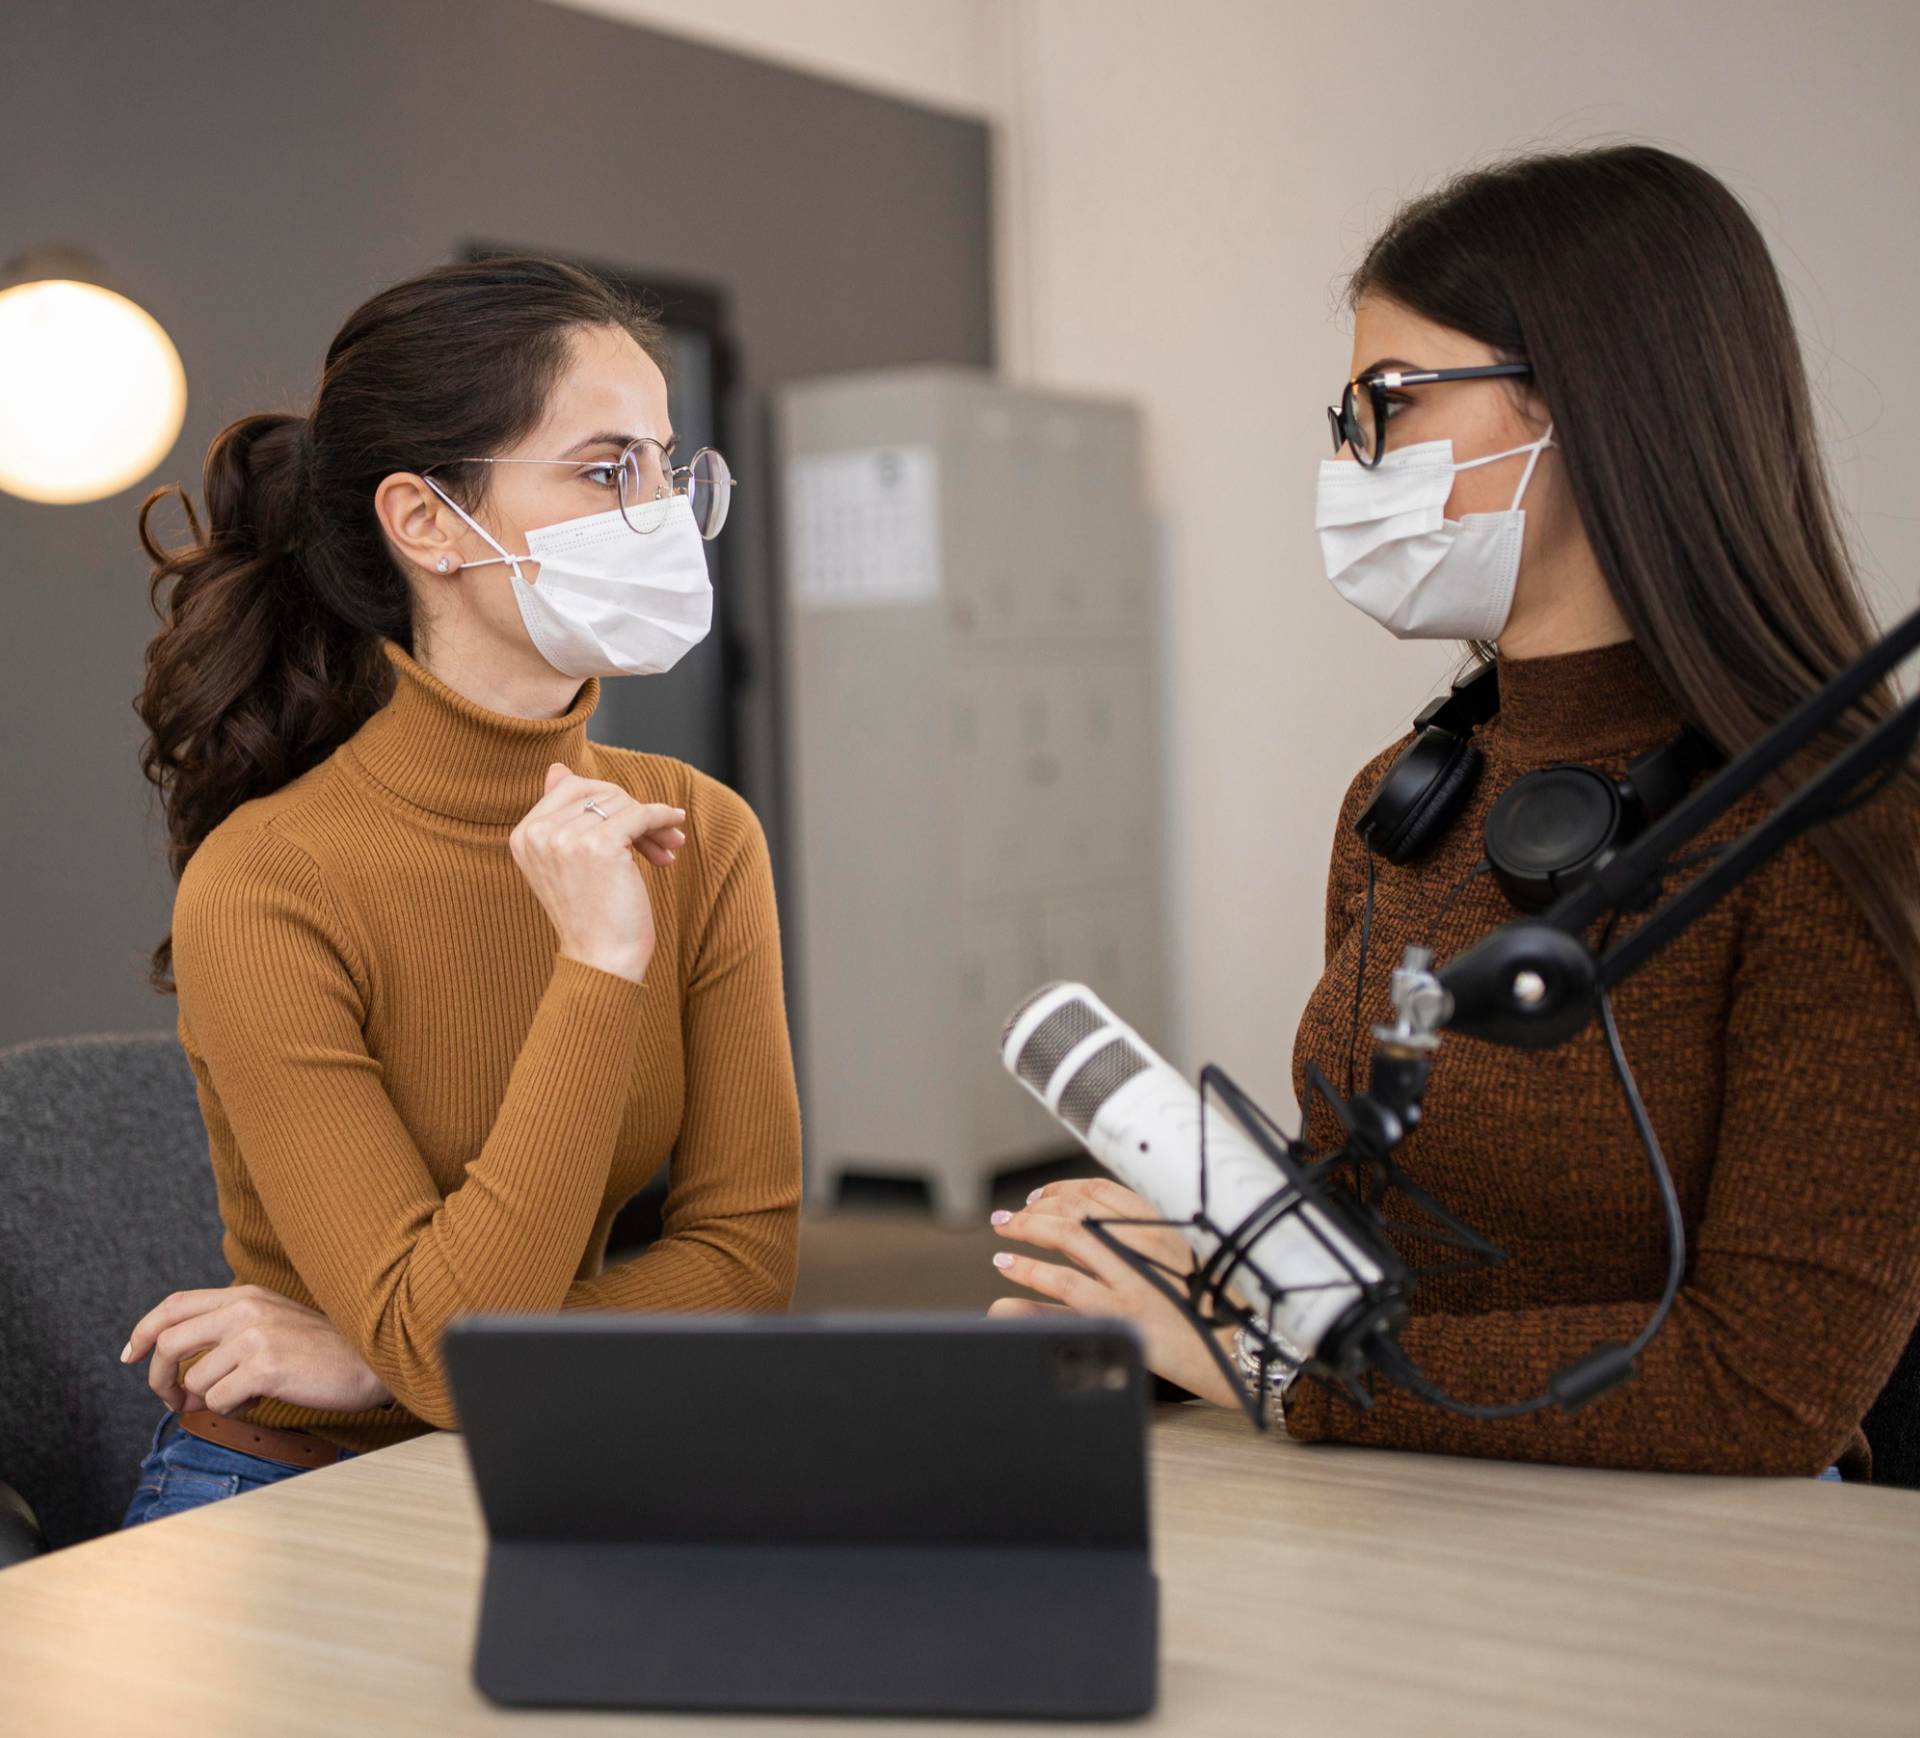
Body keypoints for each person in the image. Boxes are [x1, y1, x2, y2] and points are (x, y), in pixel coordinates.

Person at [989, 143, 1920, 1479]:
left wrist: (1276, 1358)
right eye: (1345, 414)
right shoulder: (1404, 803)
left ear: (1594, 405)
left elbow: (1768, 1383)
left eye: (1391, 401)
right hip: (1394, 1526)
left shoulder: (1834, 829)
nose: (1351, 457)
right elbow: (1369, 1251)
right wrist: (1208, 1262)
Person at [118, 256, 801, 1526]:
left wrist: (380, 1350)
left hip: (556, 1452)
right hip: (286, 1489)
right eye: (606, 471)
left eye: (666, 468)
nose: (655, 510)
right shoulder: (269, 880)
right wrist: (599, 964)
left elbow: (747, 1269)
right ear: (428, 521)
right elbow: (449, 1347)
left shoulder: (703, 831)